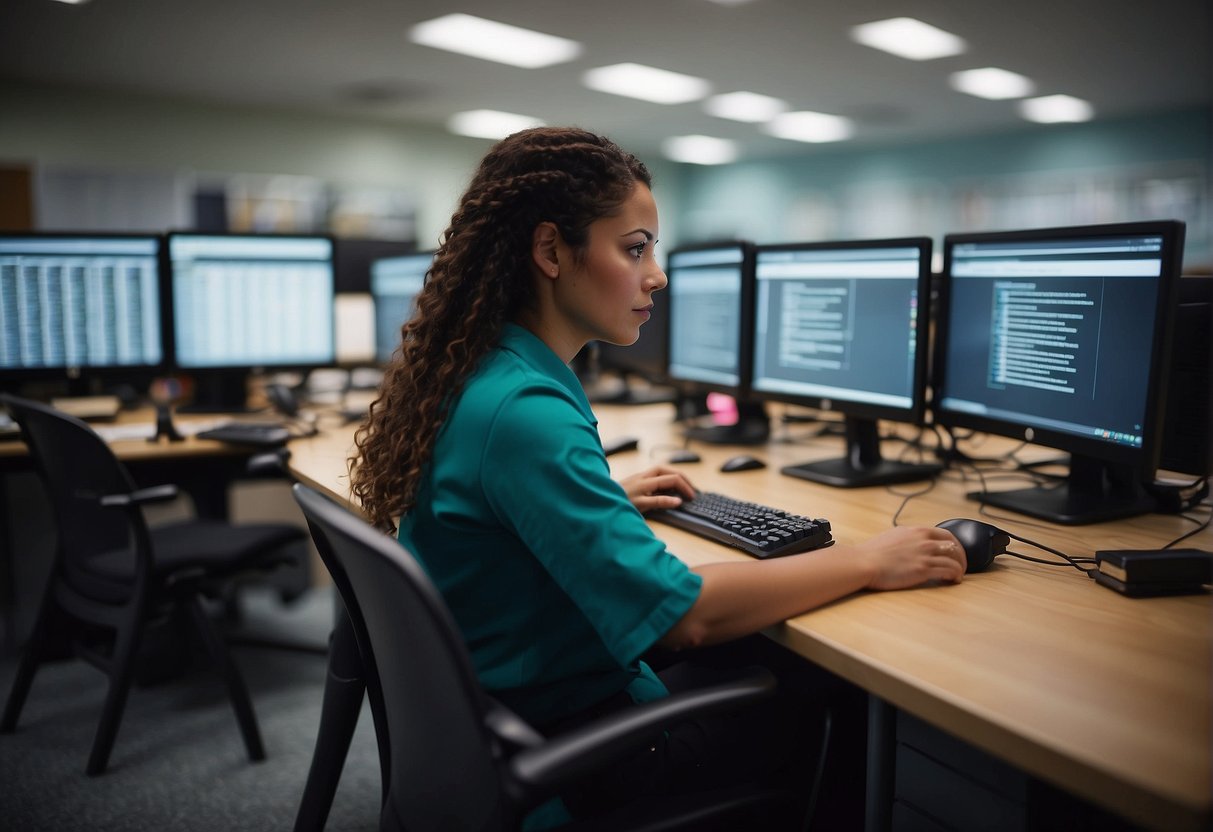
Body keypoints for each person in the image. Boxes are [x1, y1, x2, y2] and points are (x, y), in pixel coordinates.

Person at [349, 126, 966, 827]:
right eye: (634, 248)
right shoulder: (525, 413)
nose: (657, 275)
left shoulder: (485, 371)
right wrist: (866, 560)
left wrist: (601, 500)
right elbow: (687, 619)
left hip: (514, 715)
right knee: (835, 680)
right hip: (577, 751)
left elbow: (496, 515)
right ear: (551, 250)